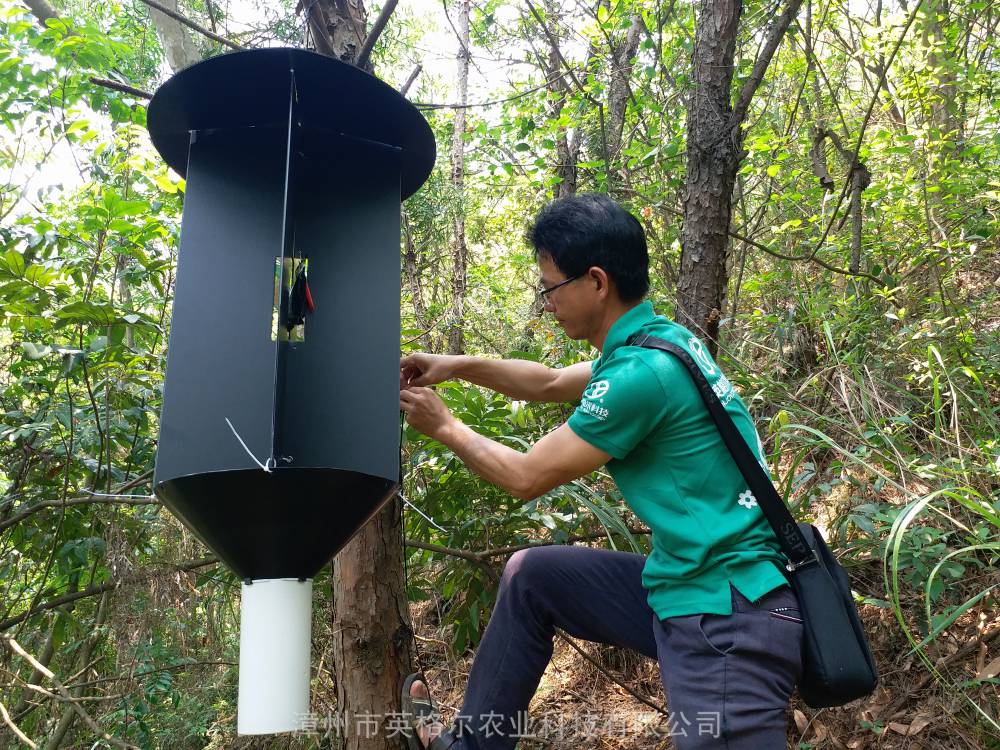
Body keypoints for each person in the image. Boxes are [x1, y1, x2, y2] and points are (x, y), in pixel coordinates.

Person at [397, 193, 803, 750]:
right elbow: (544, 382)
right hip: (688, 583)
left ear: (596, 281)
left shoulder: (642, 374)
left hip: (726, 613)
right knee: (533, 578)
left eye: (551, 287)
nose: (546, 303)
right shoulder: (662, 344)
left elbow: (525, 476)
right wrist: (456, 366)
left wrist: (445, 427)